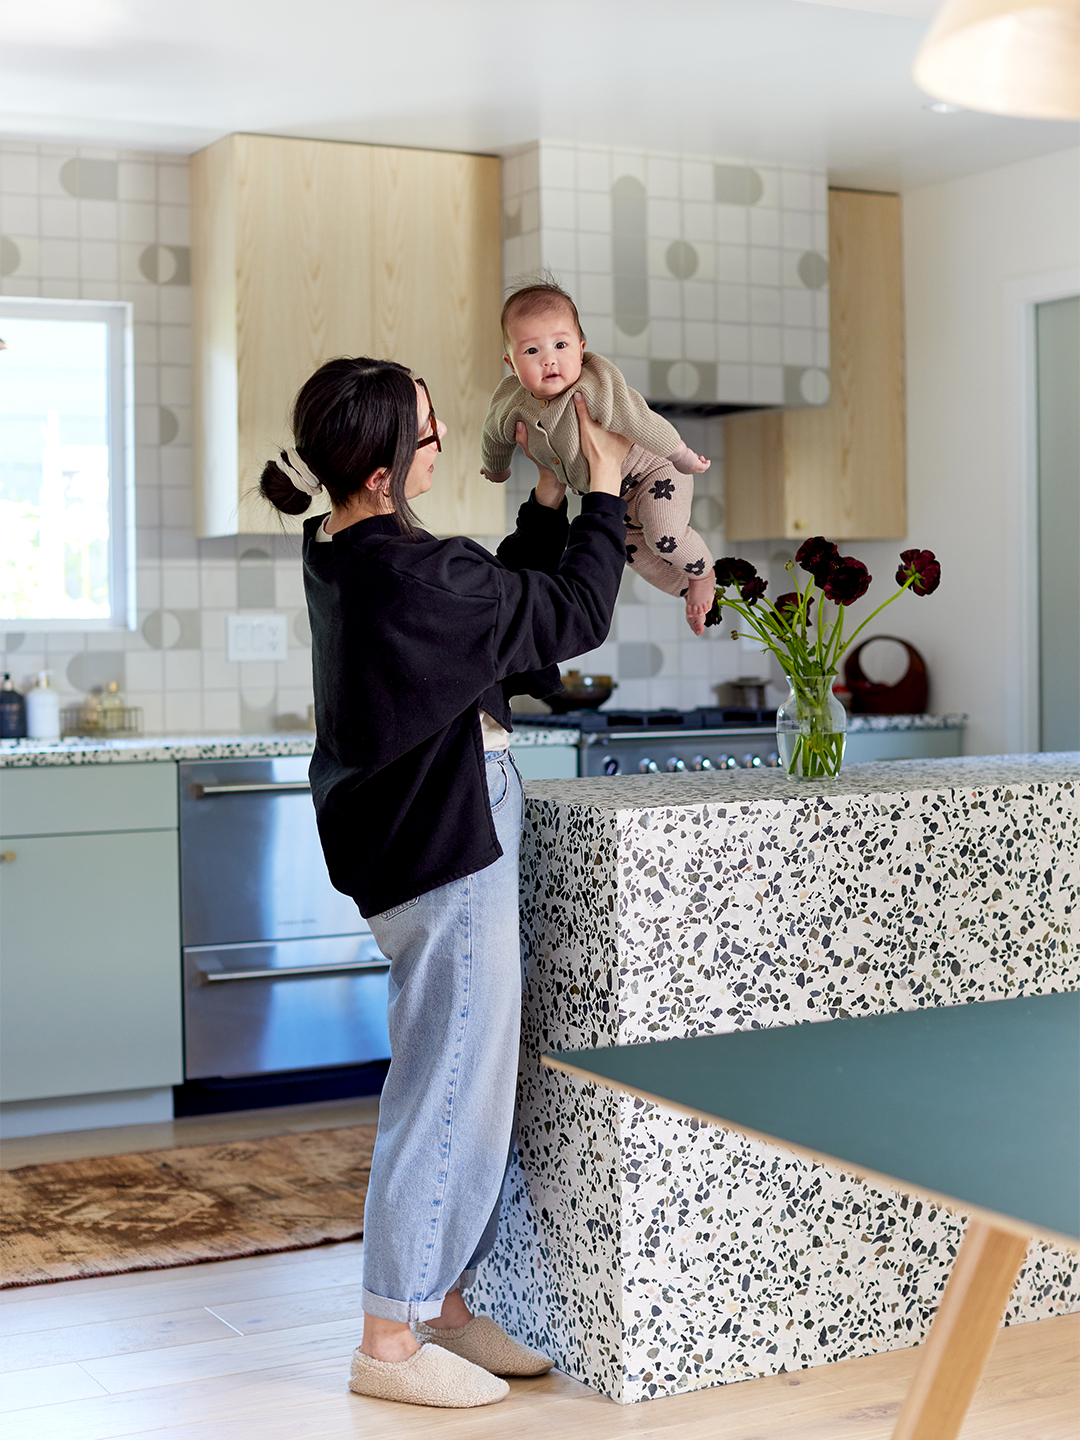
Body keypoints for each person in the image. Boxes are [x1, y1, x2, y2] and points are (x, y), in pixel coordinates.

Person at [259, 356, 629, 1410]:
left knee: (464, 1079)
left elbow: (499, 603)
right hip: (447, 843)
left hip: (401, 846)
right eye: (426, 433)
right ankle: (388, 1338)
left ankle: (446, 1310)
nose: (441, 438)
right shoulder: (419, 576)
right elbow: (569, 616)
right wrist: (603, 490)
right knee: (449, 1087)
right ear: (379, 471)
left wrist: (547, 502)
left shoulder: (347, 549)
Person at [480, 278, 716, 634]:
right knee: (635, 555)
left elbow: (641, 420)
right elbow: (494, 434)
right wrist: (496, 469)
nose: (549, 360)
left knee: (664, 535)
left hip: (656, 473)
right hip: (611, 498)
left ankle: (704, 574)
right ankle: (685, 589)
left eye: (561, 345)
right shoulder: (512, 400)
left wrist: (680, 453)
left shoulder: (595, 385)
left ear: (581, 348)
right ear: (511, 365)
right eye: (532, 352)